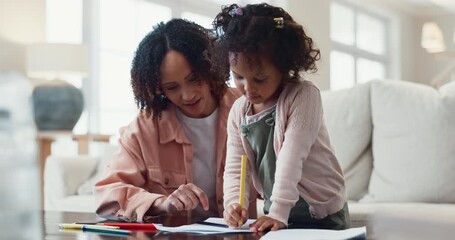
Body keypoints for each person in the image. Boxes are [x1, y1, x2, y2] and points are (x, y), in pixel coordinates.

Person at [94, 19, 257, 222]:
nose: (187, 95)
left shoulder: (250, 110)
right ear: (159, 88)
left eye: (194, 79)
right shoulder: (145, 129)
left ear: (209, 67)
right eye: (172, 87)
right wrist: (162, 203)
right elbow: (107, 194)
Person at [213, 3, 351, 231]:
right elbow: (236, 166)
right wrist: (232, 204)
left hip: (322, 212)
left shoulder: (304, 96)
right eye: (238, 77)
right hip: (276, 210)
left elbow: (292, 157)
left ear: (285, 67)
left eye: (259, 78)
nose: (247, 88)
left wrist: (278, 211)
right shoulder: (239, 111)